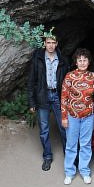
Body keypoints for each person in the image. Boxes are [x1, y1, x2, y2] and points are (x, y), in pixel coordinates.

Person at [27, 33, 69, 171]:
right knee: (44, 129)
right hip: (42, 96)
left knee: (64, 128)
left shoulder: (62, 60)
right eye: (48, 42)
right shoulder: (37, 59)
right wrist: (32, 102)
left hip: (57, 96)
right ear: (44, 43)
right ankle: (47, 157)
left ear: (57, 44)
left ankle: (68, 156)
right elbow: (31, 81)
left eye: (53, 42)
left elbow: (67, 82)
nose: (51, 45)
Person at [61, 48, 94, 185]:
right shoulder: (69, 76)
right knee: (71, 145)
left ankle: (84, 171)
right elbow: (63, 97)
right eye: (79, 60)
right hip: (72, 116)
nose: (82, 62)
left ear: (88, 61)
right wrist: (64, 117)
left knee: (86, 144)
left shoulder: (93, 76)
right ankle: (69, 172)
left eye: (85, 60)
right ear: (76, 62)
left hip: (88, 115)